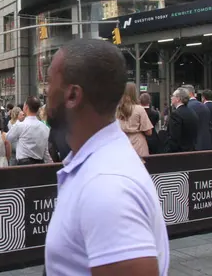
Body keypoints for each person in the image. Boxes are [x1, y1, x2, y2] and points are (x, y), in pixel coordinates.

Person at [44, 39, 169, 275]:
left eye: (50, 81)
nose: (45, 90)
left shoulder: (106, 188)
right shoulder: (96, 168)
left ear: (72, 95)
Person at [6, 96, 52, 165]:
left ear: (26, 107)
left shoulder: (20, 125)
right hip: (39, 165)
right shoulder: (45, 128)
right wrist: (51, 164)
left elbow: (8, 138)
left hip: (23, 165)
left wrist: (18, 121)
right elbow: (46, 151)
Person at [117, 82, 153, 157]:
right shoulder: (139, 109)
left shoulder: (117, 110)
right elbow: (148, 132)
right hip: (138, 144)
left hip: (121, 142)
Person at [163, 88, 199, 153]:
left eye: (172, 96)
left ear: (178, 99)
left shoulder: (175, 114)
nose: (171, 98)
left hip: (179, 153)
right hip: (191, 151)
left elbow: (174, 137)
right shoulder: (192, 112)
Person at [183, 85, 212, 151]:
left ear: (189, 93)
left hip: (192, 146)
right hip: (206, 143)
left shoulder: (186, 107)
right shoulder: (204, 106)